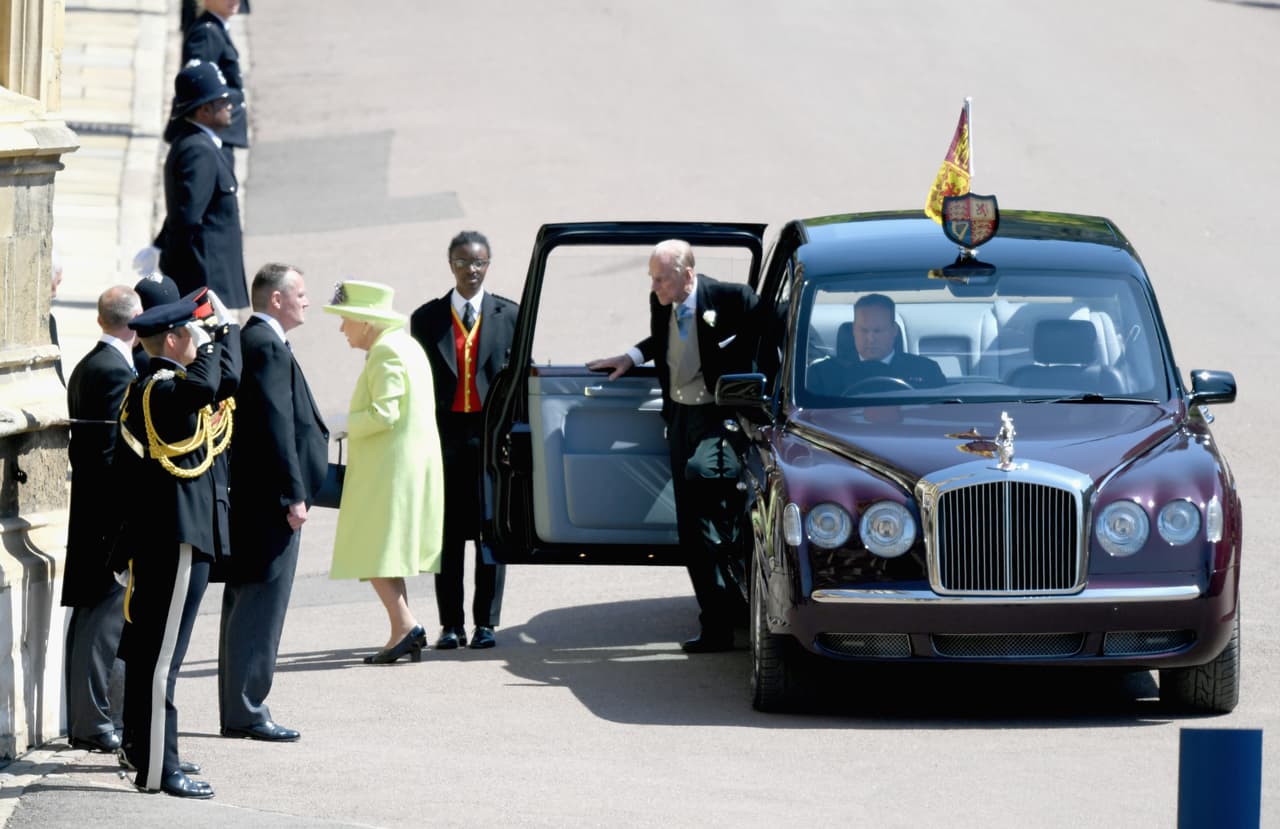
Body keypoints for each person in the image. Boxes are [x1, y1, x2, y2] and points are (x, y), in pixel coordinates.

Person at [587, 240, 759, 653]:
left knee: (710, 507)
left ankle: (734, 605)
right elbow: (661, 338)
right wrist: (632, 356)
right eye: (652, 277)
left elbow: (769, 328)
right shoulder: (661, 299)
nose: (655, 285)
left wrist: (738, 368)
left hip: (718, 417)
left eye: (661, 278)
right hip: (680, 419)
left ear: (687, 274)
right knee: (690, 528)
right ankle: (715, 624)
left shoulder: (730, 297)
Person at [112, 292, 239, 799]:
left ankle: (147, 754)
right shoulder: (162, 390)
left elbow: (223, 381)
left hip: (166, 539)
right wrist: (215, 340)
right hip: (175, 542)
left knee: (151, 656)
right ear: (173, 338)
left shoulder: (163, 385)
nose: (199, 344)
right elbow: (209, 382)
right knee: (162, 660)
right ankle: (158, 771)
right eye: (193, 334)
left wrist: (223, 337)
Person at [220, 263, 327, 741]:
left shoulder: (262, 341)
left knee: (250, 605)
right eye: (299, 293)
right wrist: (294, 493)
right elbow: (275, 425)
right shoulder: (265, 344)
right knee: (260, 607)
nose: (306, 300)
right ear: (276, 300)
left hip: (259, 501)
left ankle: (241, 706)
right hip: (269, 505)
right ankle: (247, 708)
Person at [324, 280, 444, 664]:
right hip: (399, 466)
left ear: (365, 321)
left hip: (389, 470)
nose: (342, 329)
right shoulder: (403, 345)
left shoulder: (387, 351)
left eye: (346, 320)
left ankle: (405, 625)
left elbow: (385, 413)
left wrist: (345, 422)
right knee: (385, 551)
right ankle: (401, 628)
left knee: (371, 547)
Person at [409, 231, 516, 650]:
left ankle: (486, 622)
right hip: (445, 438)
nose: (471, 271)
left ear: (488, 264)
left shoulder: (509, 314)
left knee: (491, 532)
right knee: (448, 536)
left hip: (489, 441)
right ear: (450, 264)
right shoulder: (427, 318)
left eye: (479, 263)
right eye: (463, 262)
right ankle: (450, 624)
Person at [62, 285, 142, 755]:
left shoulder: (94, 364)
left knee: (95, 620)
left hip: (95, 516)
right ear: (133, 324)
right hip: (107, 521)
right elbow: (113, 456)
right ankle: (93, 722)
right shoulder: (112, 371)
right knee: (102, 623)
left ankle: (92, 719)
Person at [156, 60, 249, 311]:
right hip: (205, 279)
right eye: (221, 102)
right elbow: (187, 217)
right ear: (203, 111)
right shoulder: (198, 150)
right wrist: (169, 261)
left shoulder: (201, 144)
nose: (229, 106)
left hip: (210, 279)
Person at [816, 293, 946, 391]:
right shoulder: (824, 374)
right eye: (864, 330)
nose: (870, 338)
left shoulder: (926, 371)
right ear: (853, 331)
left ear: (894, 330)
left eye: (877, 331)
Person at [182, 0, 247, 169]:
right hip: (214, 131)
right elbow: (198, 84)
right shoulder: (206, 33)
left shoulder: (216, 28)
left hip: (220, 130)